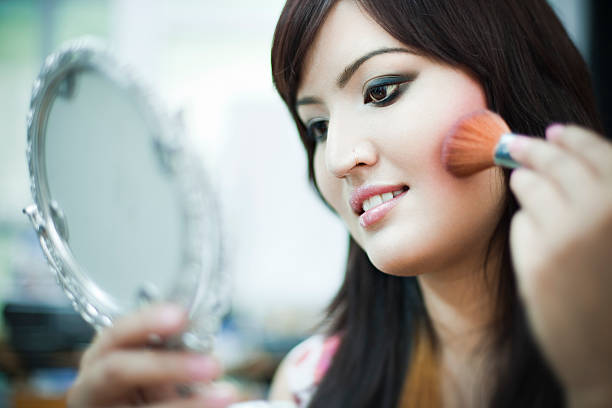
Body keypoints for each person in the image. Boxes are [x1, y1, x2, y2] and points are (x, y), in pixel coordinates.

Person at [67, 1, 612, 407]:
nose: (337, 160)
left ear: (513, 83)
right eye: (318, 126)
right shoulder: (308, 384)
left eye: (382, 90)